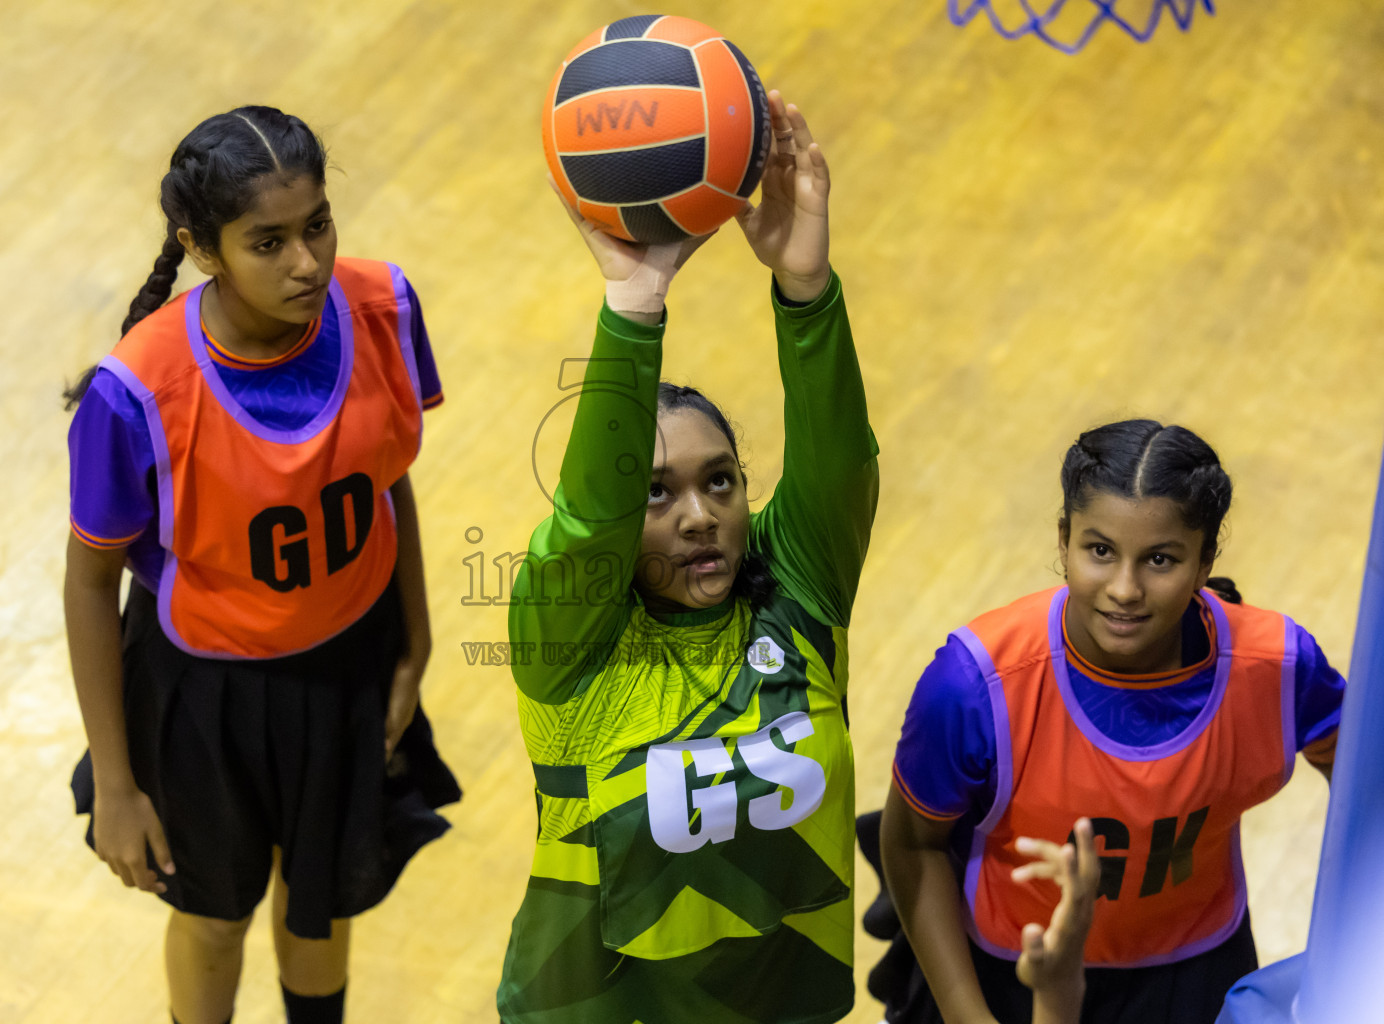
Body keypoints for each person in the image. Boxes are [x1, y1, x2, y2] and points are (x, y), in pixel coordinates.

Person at [496, 91, 1096, 1024]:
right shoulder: (566, 648)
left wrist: (805, 286)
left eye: (721, 482)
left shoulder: (797, 597)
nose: (700, 516)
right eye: (655, 494)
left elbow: (838, 463)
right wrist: (633, 307)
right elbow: (583, 520)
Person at [63, 105, 459, 1024]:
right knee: (213, 919)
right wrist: (117, 789)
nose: (307, 262)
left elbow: (388, 482)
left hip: (350, 665)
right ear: (203, 250)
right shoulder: (136, 395)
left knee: (321, 911)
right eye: (268, 241)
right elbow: (90, 584)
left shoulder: (383, 307)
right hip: (204, 696)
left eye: (317, 223)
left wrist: (415, 649)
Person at [874, 419, 1347, 1024]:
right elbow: (911, 844)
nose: (1125, 588)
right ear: (1064, 538)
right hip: (1010, 970)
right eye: (1100, 551)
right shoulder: (975, 685)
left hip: (1195, 970)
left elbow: (1363, 780)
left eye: (1160, 559)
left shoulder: (1278, 669)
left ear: (1205, 562)